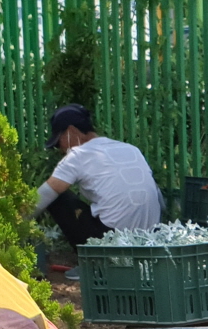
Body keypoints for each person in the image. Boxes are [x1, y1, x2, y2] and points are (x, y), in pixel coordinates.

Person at [33, 104, 163, 245]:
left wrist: (15, 224)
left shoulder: (78, 155)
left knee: (57, 198)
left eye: (59, 142)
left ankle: (90, 260)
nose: (60, 149)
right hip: (149, 238)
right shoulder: (131, 149)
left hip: (113, 240)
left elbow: (44, 195)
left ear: (71, 131)